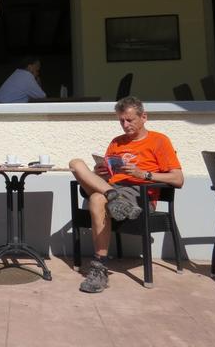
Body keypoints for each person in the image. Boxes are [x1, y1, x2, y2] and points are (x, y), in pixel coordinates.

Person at [69, 96, 183, 293]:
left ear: (144, 117)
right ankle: (113, 196)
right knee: (75, 164)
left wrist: (143, 174)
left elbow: (178, 179)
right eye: (121, 120)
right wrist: (100, 172)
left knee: (96, 199)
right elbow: (108, 170)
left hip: (139, 194)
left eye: (130, 120)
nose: (125, 124)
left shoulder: (159, 141)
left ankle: (99, 267)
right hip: (113, 187)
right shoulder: (117, 142)